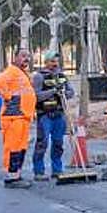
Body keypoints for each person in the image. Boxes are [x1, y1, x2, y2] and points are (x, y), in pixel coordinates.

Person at [0, 48, 37, 188]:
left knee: (21, 146)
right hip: (13, 117)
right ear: (15, 57)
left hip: (23, 116)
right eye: (23, 56)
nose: (26, 59)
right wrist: (8, 97)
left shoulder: (22, 73)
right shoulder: (11, 72)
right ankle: (11, 177)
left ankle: (16, 174)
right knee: (13, 147)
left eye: (28, 56)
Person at [32, 50, 74, 181]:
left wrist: (64, 92)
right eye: (52, 61)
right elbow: (36, 96)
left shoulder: (62, 76)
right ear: (46, 62)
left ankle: (57, 170)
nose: (55, 64)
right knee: (42, 142)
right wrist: (53, 91)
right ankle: (39, 171)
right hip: (45, 114)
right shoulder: (39, 76)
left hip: (59, 114)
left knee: (58, 142)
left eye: (56, 61)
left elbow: (71, 92)